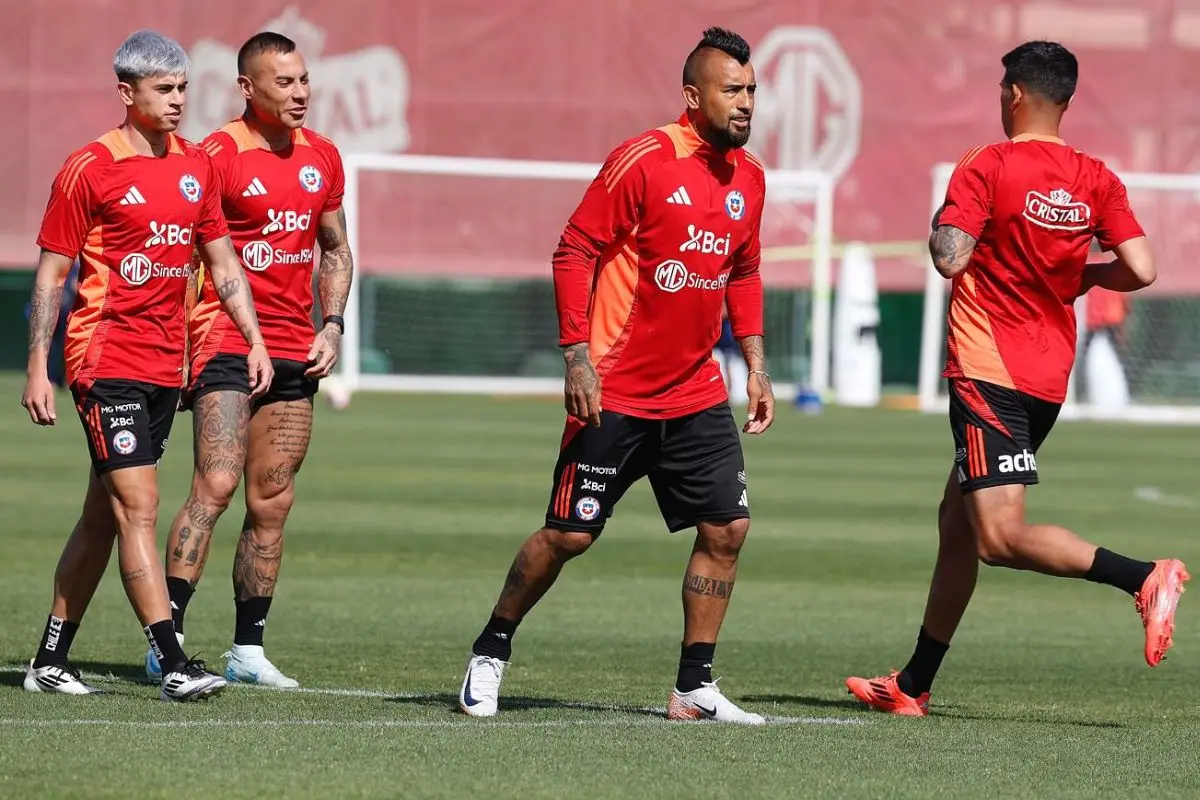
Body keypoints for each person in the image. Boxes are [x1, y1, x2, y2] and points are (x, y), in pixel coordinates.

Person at [845, 41, 1189, 717]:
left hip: (987, 369)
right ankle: (912, 685)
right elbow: (1143, 268)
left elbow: (950, 258)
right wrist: (1081, 274)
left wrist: (946, 233)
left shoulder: (990, 163)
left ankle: (1144, 578)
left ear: (1013, 94)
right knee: (958, 524)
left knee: (997, 536)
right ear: (1065, 100)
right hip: (1046, 378)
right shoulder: (1095, 177)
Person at [457, 27, 774, 725]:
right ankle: (492, 647)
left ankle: (694, 685)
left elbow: (743, 273)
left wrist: (754, 365)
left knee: (727, 527)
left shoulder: (748, 179)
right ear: (693, 97)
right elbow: (574, 250)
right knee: (568, 535)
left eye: (751, 89)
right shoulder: (643, 160)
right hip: (618, 389)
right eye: (733, 90)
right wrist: (576, 356)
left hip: (695, 393)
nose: (747, 102)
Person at [21, 30, 274, 701]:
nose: (176, 101)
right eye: (163, 89)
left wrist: (251, 338)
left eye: (183, 88)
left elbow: (223, 262)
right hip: (104, 361)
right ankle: (173, 661)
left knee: (103, 516)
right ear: (126, 92)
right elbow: (52, 273)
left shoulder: (197, 165)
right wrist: (38, 368)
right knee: (140, 507)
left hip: (169, 367)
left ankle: (49, 660)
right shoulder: (90, 167)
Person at [142, 31, 352, 689]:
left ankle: (247, 649)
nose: (300, 92)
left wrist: (335, 325)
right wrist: (174, 347)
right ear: (247, 88)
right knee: (218, 483)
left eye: (303, 79)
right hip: (224, 341)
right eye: (283, 82)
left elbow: (336, 250)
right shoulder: (215, 156)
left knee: (273, 501)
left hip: (296, 348)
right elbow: (180, 254)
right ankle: (166, 640)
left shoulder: (323, 157)